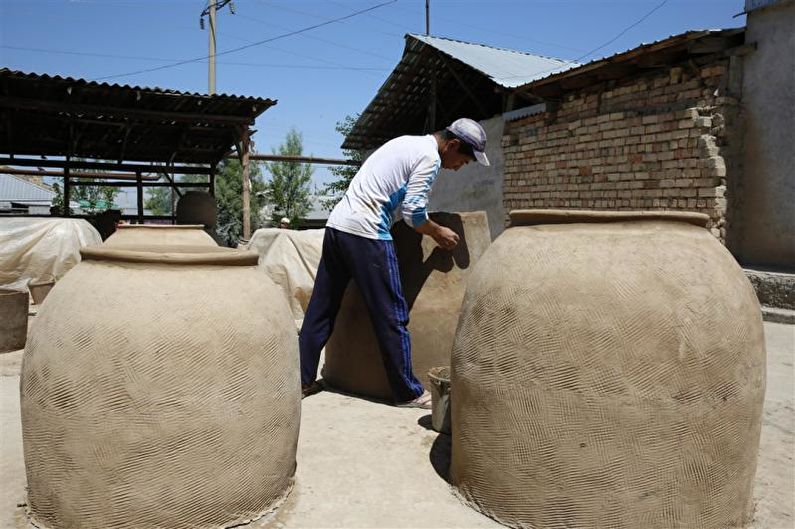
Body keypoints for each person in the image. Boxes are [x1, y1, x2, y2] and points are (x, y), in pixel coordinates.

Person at [299, 118, 489, 408]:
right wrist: (438, 232)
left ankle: (301, 380)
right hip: (367, 233)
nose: (459, 166)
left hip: (338, 227)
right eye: (463, 159)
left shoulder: (406, 143)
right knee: (392, 314)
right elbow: (413, 214)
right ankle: (407, 392)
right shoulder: (428, 158)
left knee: (322, 308)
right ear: (451, 145)